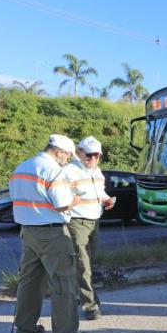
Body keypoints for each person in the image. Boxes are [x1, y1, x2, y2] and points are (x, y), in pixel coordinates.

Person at [8, 134, 89, 333]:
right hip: (52, 234)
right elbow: (62, 204)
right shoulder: (53, 170)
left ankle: (24, 330)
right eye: (68, 156)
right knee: (63, 283)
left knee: (29, 282)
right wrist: (76, 199)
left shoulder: (22, 167)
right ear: (60, 152)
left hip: (28, 232)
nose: (67, 160)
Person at [64, 136, 116, 320]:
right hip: (77, 222)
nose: (93, 159)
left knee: (88, 264)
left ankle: (81, 296)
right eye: (89, 155)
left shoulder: (97, 171)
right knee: (83, 265)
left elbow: (99, 191)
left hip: (95, 221)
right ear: (79, 153)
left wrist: (106, 199)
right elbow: (59, 196)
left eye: (97, 155)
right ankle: (90, 306)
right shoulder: (69, 171)